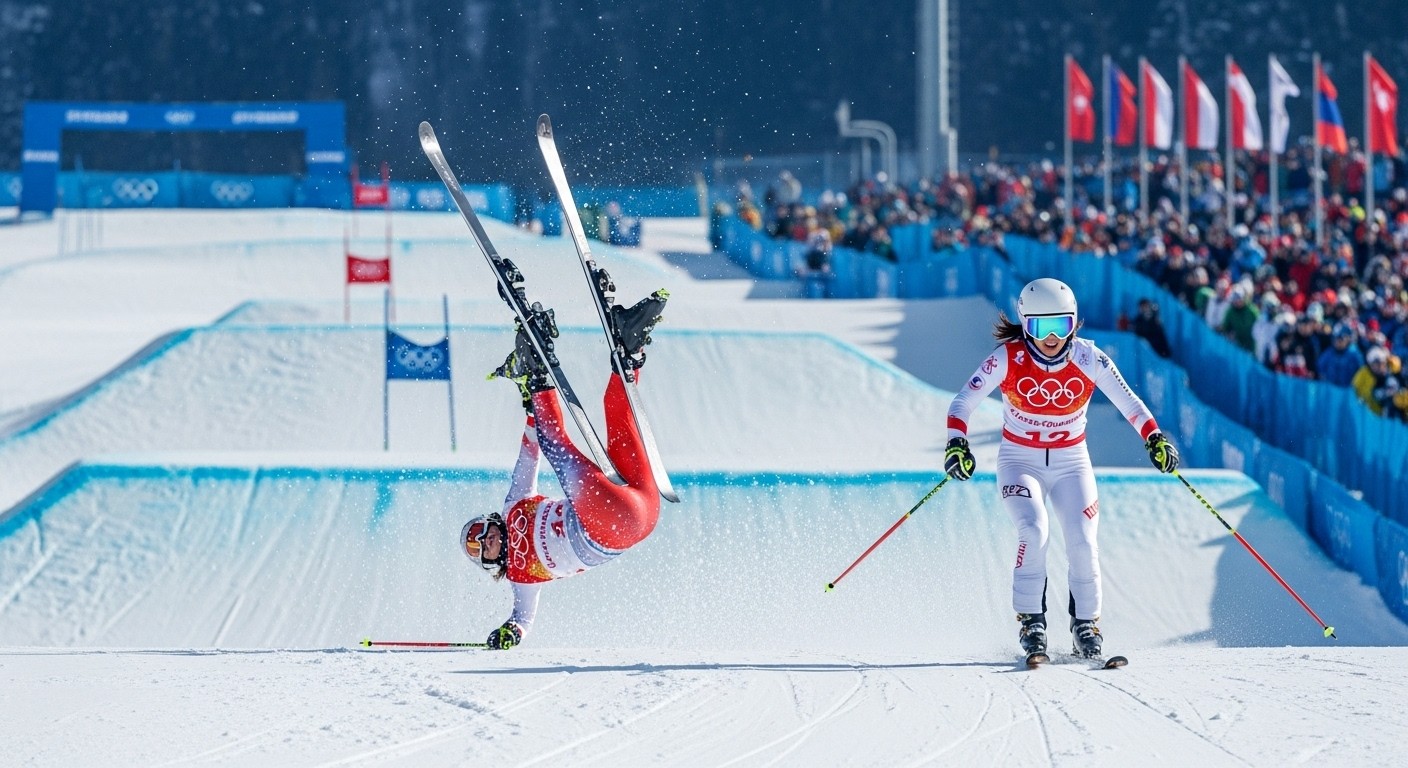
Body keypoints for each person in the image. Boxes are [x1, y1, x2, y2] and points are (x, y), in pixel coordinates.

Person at [943, 278, 1179, 662]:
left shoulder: (1089, 358)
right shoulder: (1008, 358)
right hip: (1020, 460)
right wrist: (957, 442)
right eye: (1040, 328)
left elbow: (1130, 403)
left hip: (1072, 462)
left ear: (1074, 324)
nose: (1051, 338)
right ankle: (1031, 622)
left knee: (1083, 542)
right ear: (1025, 324)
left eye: (1061, 327)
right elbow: (963, 401)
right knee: (1034, 530)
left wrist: (1154, 438)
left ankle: (1086, 626)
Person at [461, 279, 669, 650]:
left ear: (490, 520)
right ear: (489, 564)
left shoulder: (513, 508)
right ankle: (536, 373)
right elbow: (523, 619)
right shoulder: (521, 578)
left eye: (480, 532)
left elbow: (529, 456)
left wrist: (531, 417)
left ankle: (629, 347)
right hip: (609, 530)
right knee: (558, 448)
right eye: (481, 549)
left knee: (616, 412)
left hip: (638, 509)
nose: (486, 540)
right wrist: (510, 633)